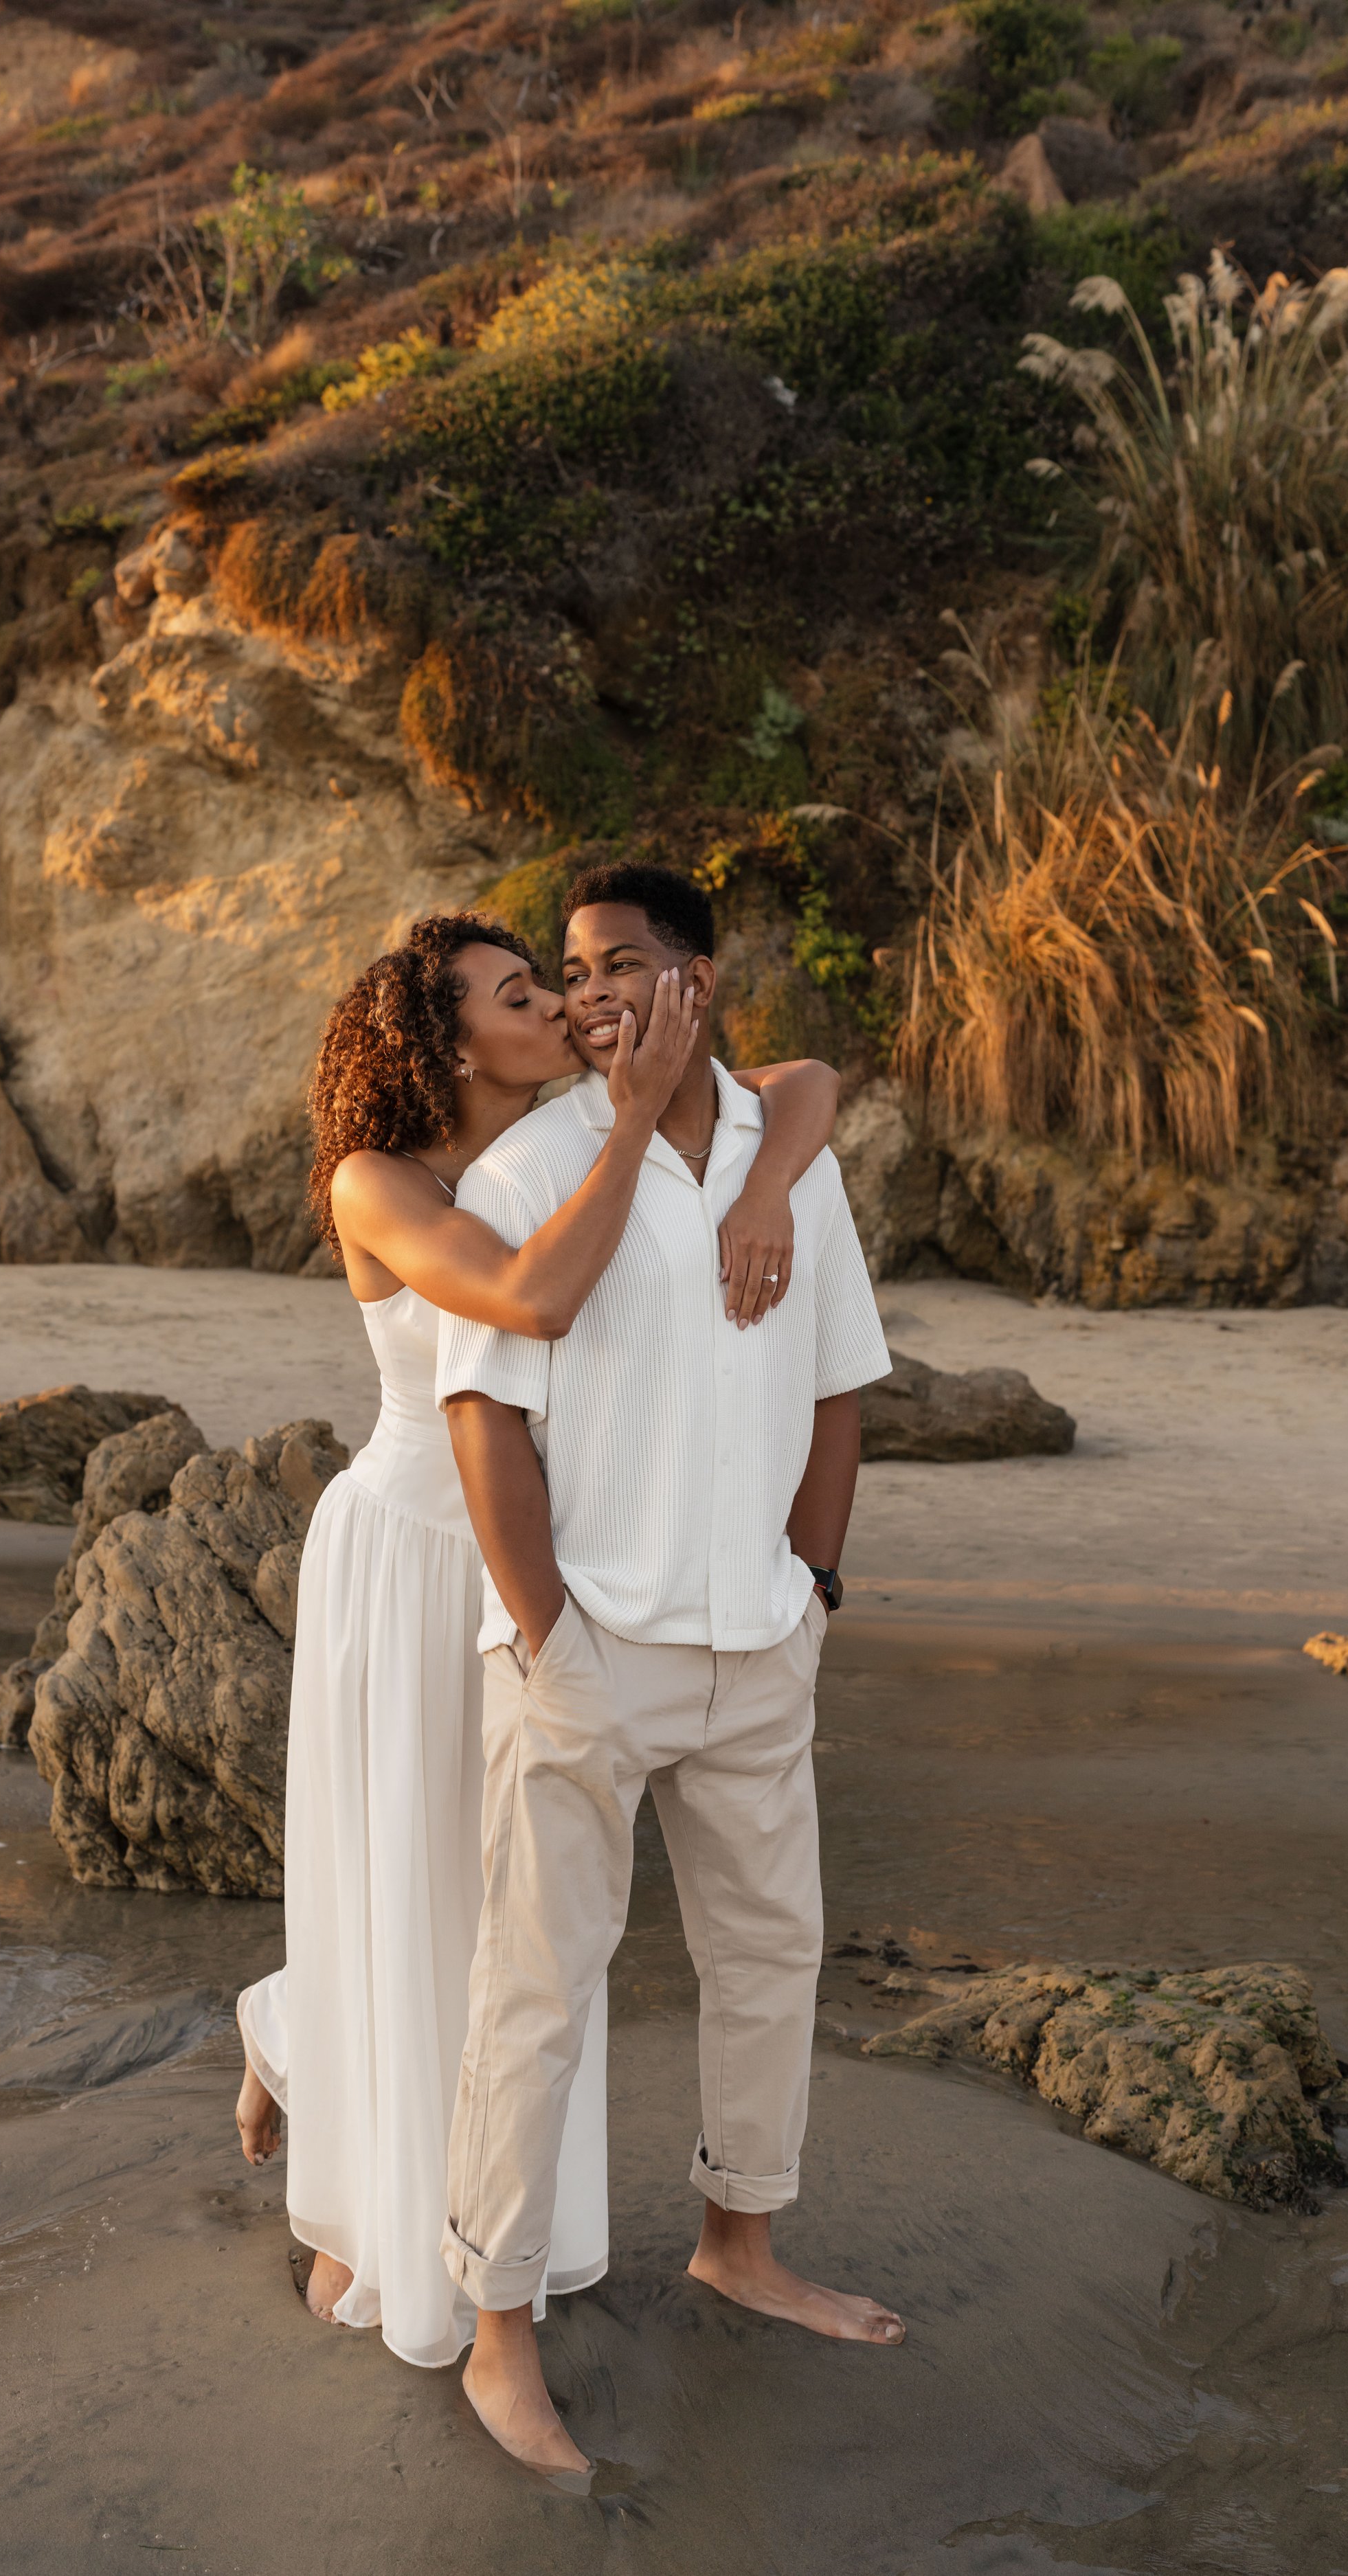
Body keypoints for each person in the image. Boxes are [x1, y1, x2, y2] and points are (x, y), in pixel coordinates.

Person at [232, 908, 845, 2373]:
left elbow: (808, 1084)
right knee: (429, 1891)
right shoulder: (380, 1181)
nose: (563, 1009)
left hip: (536, 1561)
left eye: (566, 982)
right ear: (445, 1043)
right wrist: (632, 1129)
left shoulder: (562, 1140)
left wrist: (737, 1163)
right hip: (412, 1553)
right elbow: (528, 1300)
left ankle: (298, 2043)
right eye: (523, 995)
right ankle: (360, 2180)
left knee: (500, 1915)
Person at [434, 863, 907, 2474]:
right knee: (535, 1993)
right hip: (591, 1649)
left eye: (620, 964)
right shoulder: (529, 1169)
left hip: (758, 1639)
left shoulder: (796, 1165)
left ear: (700, 982)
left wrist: (816, 1584)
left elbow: (839, 1386)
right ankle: (499, 2337)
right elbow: (480, 1413)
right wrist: (546, 1631)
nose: (587, 996)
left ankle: (740, 2244)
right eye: (568, 974)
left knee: (773, 1956)